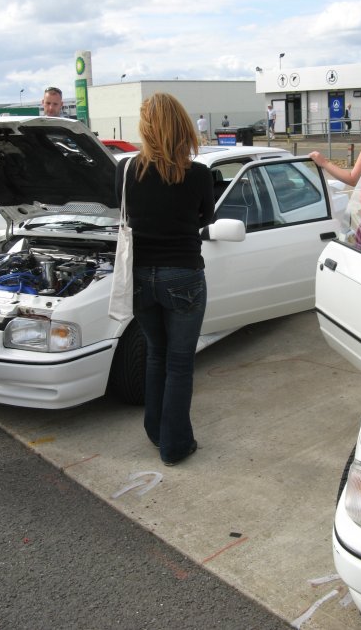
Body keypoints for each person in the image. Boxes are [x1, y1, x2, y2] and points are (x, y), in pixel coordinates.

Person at [115, 93, 214, 467]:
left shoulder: (125, 169)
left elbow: (124, 215)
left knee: (156, 353)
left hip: (139, 277)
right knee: (179, 362)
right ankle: (175, 445)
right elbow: (207, 217)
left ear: (145, 128)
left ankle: (156, 431)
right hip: (184, 275)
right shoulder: (200, 174)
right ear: (182, 126)